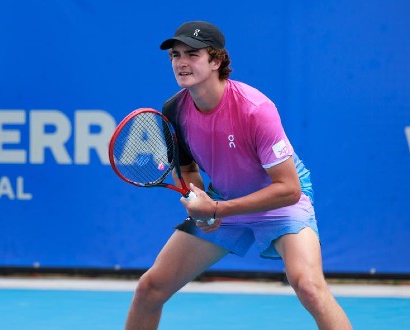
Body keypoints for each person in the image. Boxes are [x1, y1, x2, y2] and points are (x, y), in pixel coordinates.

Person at [125, 21, 352, 329]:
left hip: (281, 205)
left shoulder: (255, 109)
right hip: (225, 200)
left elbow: (288, 189)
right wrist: (200, 200)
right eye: (175, 55)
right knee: (150, 288)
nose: (181, 62)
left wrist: (217, 210)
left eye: (192, 54)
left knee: (309, 287)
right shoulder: (175, 109)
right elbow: (188, 167)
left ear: (216, 60)